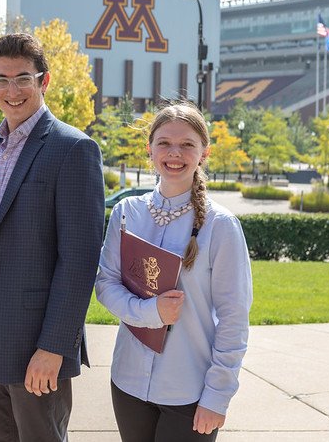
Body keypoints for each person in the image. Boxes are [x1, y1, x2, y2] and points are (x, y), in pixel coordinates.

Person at [0, 33, 105, 441]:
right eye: (1, 80)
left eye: (22, 79)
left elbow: (80, 260)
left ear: (44, 81)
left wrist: (54, 347)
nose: (11, 91)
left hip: (38, 341)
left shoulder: (74, 149)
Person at [95, 102, 253, 441]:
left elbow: (234, 319)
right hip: (128, 382)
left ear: (204, 153)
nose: (174, 153)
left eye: (187, 145)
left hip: (190, 391)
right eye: (164, 143)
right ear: (149, 149)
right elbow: (106, 284)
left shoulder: (221, 226)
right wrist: (150, 312)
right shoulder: (126, 213)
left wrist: (218, 396)